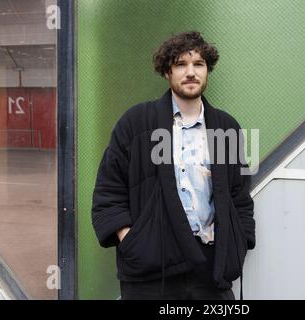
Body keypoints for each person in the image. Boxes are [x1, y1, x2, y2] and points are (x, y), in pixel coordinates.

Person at [92, 31, 255, 300]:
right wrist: (133, 241)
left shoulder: (226, 128)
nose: (191, 72)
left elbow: (239, 196)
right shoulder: (136, 123)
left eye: (198, 64)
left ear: (207, 71)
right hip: (152, 269)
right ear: (167, 72)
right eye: (181, 64)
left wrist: (240, 244)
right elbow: (109, 192)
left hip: (211, 271)